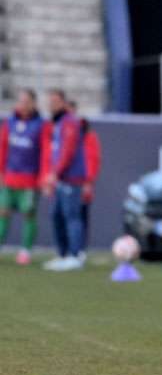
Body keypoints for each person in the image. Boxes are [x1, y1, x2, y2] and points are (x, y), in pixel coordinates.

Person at [0, 89, 52, 265]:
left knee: (28, 214)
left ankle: (25, 251)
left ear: (33, 104)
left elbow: (46, 152)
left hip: (29, 179)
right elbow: (2, 148)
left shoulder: (41, 125)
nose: (22, 105)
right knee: (3, 212)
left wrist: (44, 177)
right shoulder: (10, 122)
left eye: (26, 102)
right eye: (20, 101)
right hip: (9, 177)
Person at [43, 90, 88, 271]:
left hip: (71, 178)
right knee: (58, 217)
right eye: (50, 101)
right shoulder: (60, 123)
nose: (51, 105)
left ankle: (75, 255)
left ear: (63, 103)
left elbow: (67, 152)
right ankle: (63, 254)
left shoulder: (69, 123)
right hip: (62, 178)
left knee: (72, 217)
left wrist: (55, 173)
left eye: (55, 101)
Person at [67, 100, 101, 260]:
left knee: (80, 215)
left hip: (80, 182)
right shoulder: (58, 131)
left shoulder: (87, 134)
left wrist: (88, 181)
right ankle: (67, 250)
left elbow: (93, 159)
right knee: (63, 216)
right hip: (65, 181)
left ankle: (79, 250)